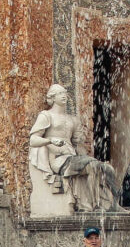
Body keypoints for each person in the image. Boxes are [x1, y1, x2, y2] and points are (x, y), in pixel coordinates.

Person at [29, 84, 120, 213]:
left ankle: (114, 203)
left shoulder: (73, 119)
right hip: (58, 160)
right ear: (52, 97)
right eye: (60, 93)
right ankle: (94, 205)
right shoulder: (46, 116)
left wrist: (87, 157)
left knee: (106, 168)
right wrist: (50, 140)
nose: (64, 95)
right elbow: (33, 140)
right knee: (92, 166)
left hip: (73, 158)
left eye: (65, 93)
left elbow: (78, 145)